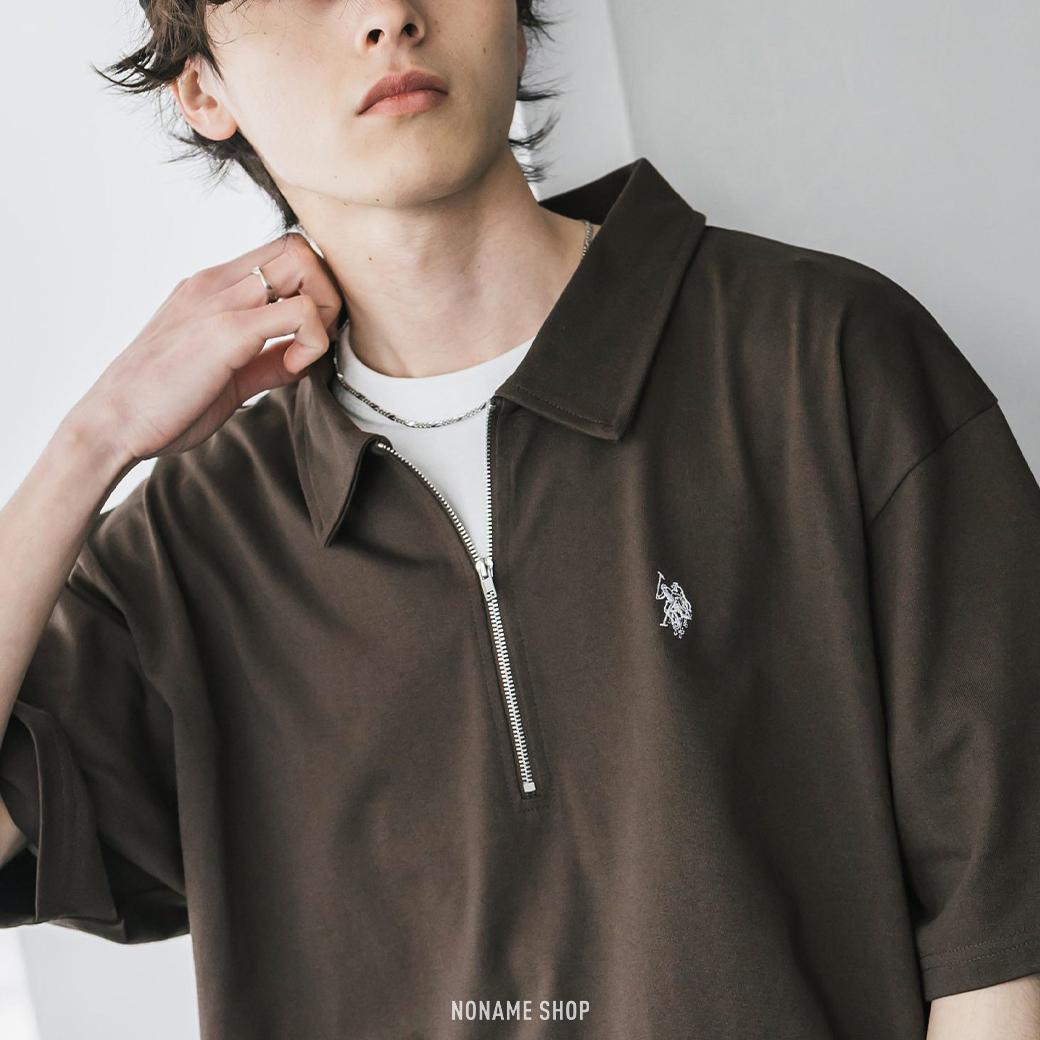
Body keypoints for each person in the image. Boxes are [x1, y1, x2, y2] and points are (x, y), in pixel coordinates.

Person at [2, 1, 1040, 1038]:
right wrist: (91, 442)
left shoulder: (826, 361)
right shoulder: (189, 548)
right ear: (203, 89)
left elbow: (1001, 935)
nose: (386, 15)